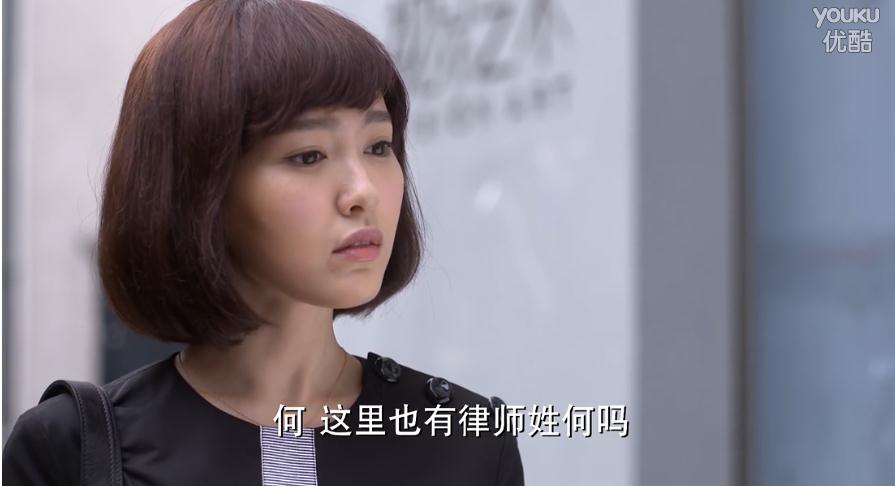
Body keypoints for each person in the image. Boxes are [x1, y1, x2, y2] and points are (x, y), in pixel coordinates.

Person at [1, 1, 525, 484]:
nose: (363, 191)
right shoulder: (69, 450)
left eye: (378, 146)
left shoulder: (467, 442)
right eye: (308, 155)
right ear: (200, 187)